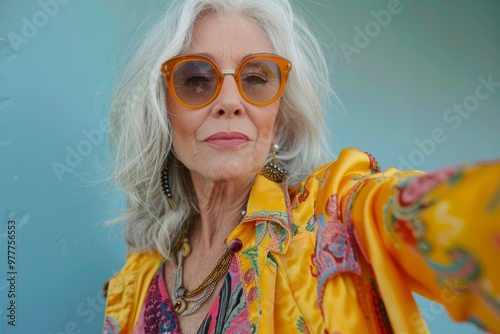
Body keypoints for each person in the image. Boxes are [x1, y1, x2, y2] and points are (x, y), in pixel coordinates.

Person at [102, 0, 500, 333]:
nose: (229, 101)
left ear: (280, 113)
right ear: (162, 111)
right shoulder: (136, 283)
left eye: (255, 78)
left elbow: (439, 214)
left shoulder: (333, 216)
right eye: (197, 79)